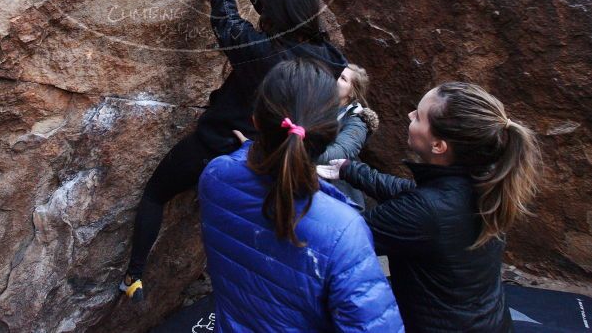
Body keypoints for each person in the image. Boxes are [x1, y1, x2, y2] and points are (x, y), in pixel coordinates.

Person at [120, 0, 348, 301]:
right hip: (265, 153)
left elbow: (227, 22)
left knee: (155, 194)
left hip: (218, 143)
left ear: (275, 21)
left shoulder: (264, 54)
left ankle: (133, 276)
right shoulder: (328, 55)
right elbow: (273, 4)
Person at [198, 58, 403, 332]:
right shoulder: (344, 229)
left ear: (255, 121)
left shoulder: (215, 176)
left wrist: (250, 152)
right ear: (326, 132)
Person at [318, 82, 541, 332]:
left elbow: (337, 238)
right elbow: (413, 194)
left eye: (419, 116)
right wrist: (351, 170)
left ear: (438, 146)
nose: (410, 115)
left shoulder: (424, 212)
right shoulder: (483, 181)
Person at [315, 63, 378, 210]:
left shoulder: (358, 120)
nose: (336, 78)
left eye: (343, 78)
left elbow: (340, 152)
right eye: (337, 74)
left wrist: (297, 150)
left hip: (334, 187)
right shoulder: (318, 102)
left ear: (352, 93)